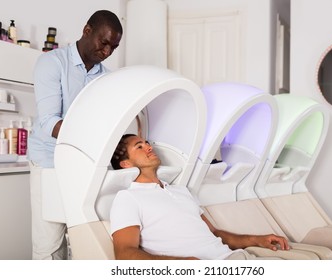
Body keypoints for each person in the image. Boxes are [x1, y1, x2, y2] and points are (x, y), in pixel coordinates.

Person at [27, 10, 123, 260]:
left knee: (86, 237)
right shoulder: (52, 62)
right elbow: (50, 122)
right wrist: (93, 139)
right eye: (104, 43)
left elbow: (106, 123)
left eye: (114, 47)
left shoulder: (108, 79)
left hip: (86, 165)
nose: (107, 52)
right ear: (87, 30)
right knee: (49, 244)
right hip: (49, 161)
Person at [109, 134, 290, 260]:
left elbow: (214, 234)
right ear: (125, 163)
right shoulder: (128, 198)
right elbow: (125, 253)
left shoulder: (181, 191)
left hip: (235, 259)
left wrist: (257, 240)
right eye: (139, 146)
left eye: (147, 143)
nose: (148, 147)